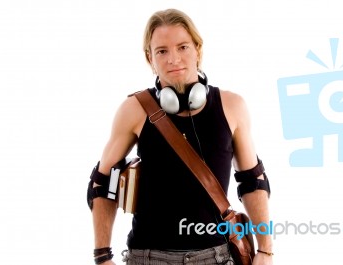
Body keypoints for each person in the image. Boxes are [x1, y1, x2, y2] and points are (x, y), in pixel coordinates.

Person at [88, 8, 273, 265]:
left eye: (183, 47)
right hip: (148, 258)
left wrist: (265, 250)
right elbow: (102, 182)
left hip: (217, 257)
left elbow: (253, 181)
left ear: (197, 49)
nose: (173, 59)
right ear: (149, 58)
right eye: (162, 51)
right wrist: (102, 256)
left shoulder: (232, 106)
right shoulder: (134, 109)